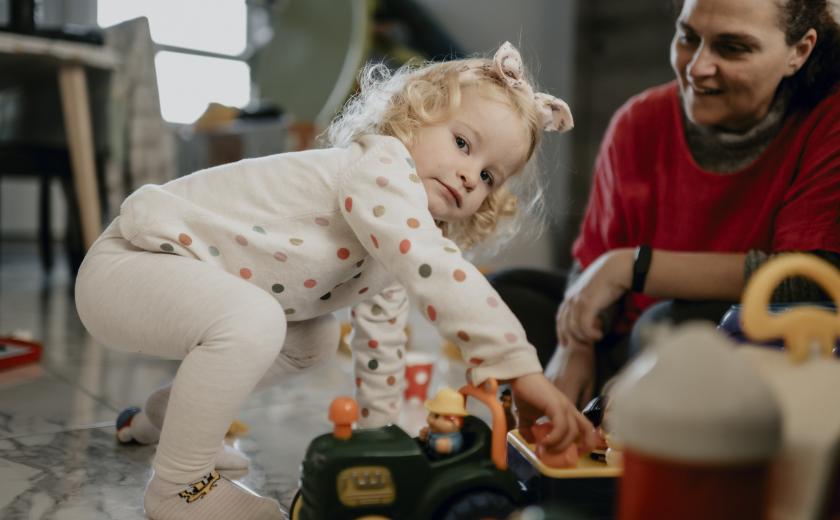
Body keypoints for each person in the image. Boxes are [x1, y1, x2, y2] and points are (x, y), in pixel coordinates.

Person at [74, 41, 597, 520]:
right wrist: (518, 368)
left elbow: (383, 342)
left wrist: (378, 442)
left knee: (316, 338)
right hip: (131, 262)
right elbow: (437, 270)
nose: (469, 174)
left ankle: (171, 416)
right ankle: (180, 486)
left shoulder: (397, 231)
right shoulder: (381, 171)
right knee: (254, 321)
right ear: (412, 118)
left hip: (171, 280)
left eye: (488, 176)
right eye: (462, 143)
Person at [491, 0, 840, 409]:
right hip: (628, 328)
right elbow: (592, 264)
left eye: (732, 48)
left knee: (672, 330)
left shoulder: (827, 123)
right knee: (507, 297)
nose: (697, 67)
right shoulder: (638, 121)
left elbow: (809, 276)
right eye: (688, 37)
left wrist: (632, 266)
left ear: (799, 52)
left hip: (735, 344)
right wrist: (577, 345)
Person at [418, 387, 468, 457]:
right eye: (430, 414)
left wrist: (447, 446)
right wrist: (424, 436)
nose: (430, 420)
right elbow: (428, 440)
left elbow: (454, 445)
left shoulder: (454, 438)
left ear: (456, 422)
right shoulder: (435, 431)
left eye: (436, 416)